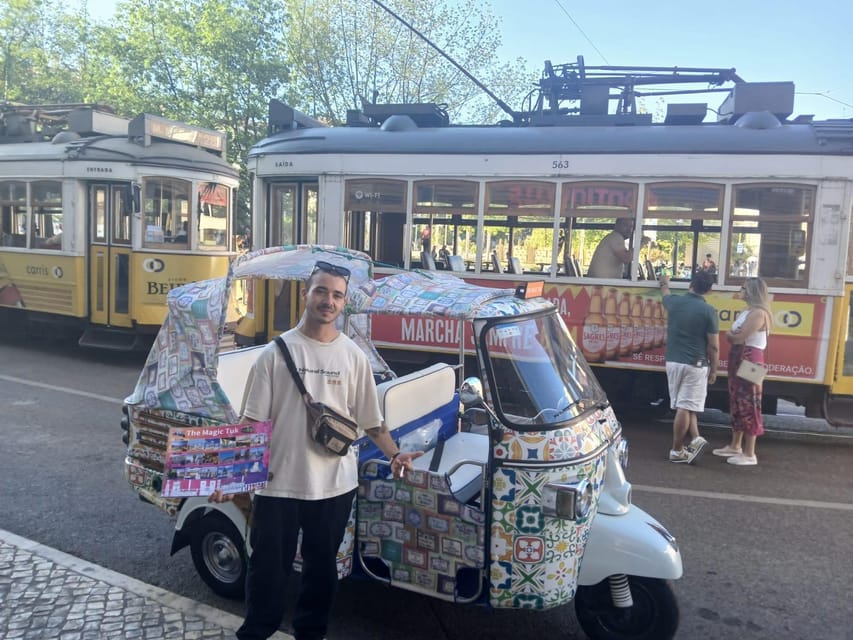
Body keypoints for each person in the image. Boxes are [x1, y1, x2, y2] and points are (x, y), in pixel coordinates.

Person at [212, 260, 422, 640]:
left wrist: (394, 454)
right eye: (322, 291)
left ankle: (311, 634)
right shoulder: (274, 355)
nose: (329, 300)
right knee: (267, 572)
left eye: (337, 295)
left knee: (322, 571)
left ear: (344, 303)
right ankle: (256, 633)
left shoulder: (353, 357)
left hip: (334, 487)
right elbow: (251, 425)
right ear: (306, 294)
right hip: (277, 487)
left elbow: (371, 420)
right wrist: (231, 475)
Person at [659, 270, 719, 463]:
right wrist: (715, 369)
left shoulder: (675, 302)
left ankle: (696, 439)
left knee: (685, 404)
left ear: (690, 284)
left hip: (673, 362)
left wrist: (664, 282)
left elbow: (665, 294)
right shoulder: (709, 311)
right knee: (685, 407)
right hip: (695, 364)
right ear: (709, 291)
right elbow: (714, 345)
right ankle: (676, 451)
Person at [714, 278, 771, 466]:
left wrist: (732, 336)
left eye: (744, 288)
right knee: (737, 401)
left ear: (752, 291)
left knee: (750, 403)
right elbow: (734, 336)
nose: (741, 290)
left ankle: (749, 453)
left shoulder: (758, 314)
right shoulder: (748, 311)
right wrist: (733, 336)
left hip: (750, 360)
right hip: (740, 359)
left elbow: (737, 338)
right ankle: (735, 445)